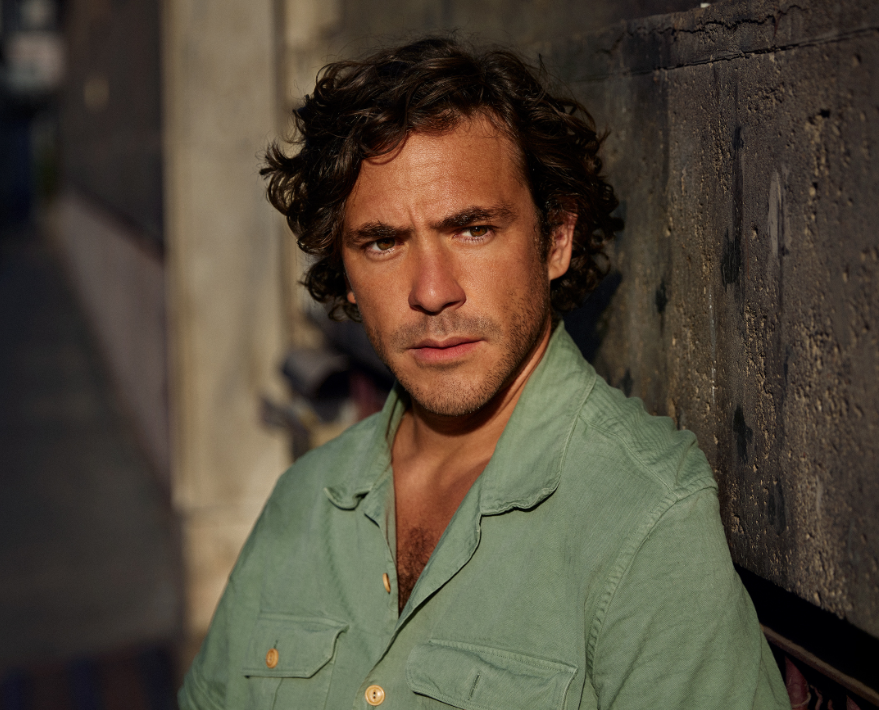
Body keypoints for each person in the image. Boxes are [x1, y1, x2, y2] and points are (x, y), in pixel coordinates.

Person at [179, 37, 790, 710]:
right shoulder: (304, 501)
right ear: (345, 274)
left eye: (472, 229)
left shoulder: (642, 515)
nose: (432, 291)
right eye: (382, 242)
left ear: (555, 239)